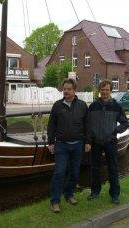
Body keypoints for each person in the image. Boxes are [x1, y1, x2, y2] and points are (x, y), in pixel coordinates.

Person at [85, 80, 129, 204]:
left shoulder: (116, 106)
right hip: (96, 142)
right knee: (95, 168)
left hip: (110, 141)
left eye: (107, 90)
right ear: (100, 91)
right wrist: (89, 140)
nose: (105, 92)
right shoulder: (93, 106)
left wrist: (115, 131)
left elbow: (126, 123)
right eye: (103, 89)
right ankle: (95, 191)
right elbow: (88, 125)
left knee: (113, 168)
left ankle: (114, 194)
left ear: (110, 91)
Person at [47, 78, 88, 213]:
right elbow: (51, 125)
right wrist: (51, 142)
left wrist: (88, 142)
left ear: (74, 90)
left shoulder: (82, 105)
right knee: (59, 172)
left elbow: (87, 125)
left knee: (75, 172)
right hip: (61, 145)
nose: (66, 91)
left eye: (69, 89)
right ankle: (55, 201)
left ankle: (69, 195)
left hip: (77, 145)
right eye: (64, 89)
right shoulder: (57, 105)